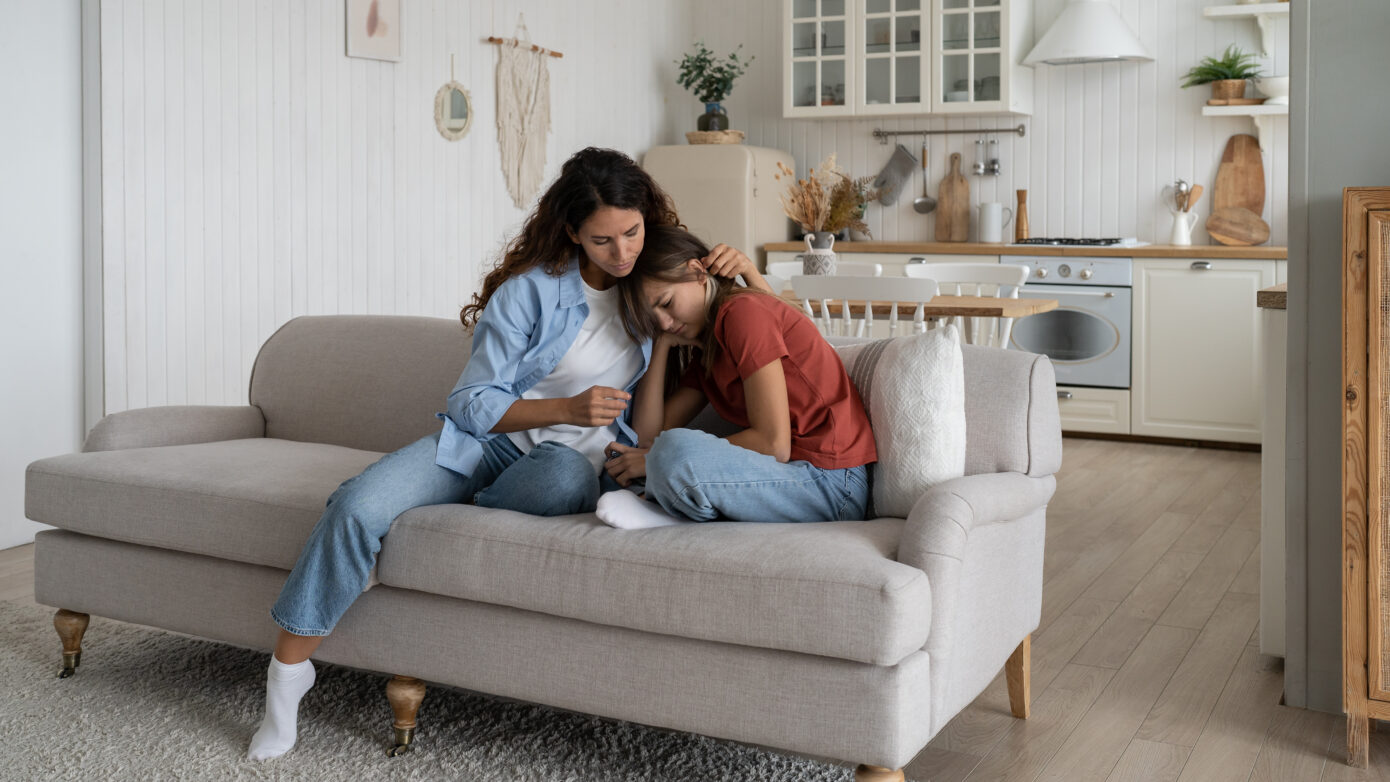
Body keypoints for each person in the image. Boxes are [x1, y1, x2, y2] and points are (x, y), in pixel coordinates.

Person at [247, 148, 764, 761]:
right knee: (359, 505)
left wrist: (751, 277)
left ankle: (464, 504)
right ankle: (286, 680)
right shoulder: (531, 293)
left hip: (572, 465)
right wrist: (567, 409)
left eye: (632, 231)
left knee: (561, 474)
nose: (622, 253)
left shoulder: (654, 290)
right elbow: (470, 404)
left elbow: (767, 339)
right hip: (484, 447)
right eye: (602, 241)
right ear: (572, 232)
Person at [596, 224, 876, 530]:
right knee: (635, 463)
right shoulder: (707, 352)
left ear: (697, 273)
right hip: (791, 476)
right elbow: (648, 437)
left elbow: (773, 444)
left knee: (673, 453)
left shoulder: (742, 313)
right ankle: (666, 503)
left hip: (832, 483)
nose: (664, 321)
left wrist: (654, 461)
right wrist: (660, 342)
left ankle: (664, 508)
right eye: (653, 321)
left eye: (666, 304)